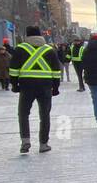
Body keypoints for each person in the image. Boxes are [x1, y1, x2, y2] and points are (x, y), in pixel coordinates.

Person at [10, 26, 63, 154]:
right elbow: (56, 70)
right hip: (45, 86)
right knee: (44, 115)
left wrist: (14, 85)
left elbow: (13, 69)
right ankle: (43, 144)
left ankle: (25, 141)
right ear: (40, 35)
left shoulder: (20, 49)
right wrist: (55, 87)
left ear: (26, 36)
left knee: (23, 114)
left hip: (26, 86)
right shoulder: (49, 50)